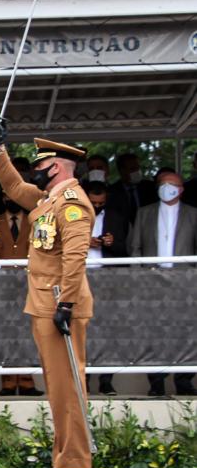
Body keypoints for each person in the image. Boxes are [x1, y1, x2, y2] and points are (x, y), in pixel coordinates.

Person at [0, 120, 94, 468]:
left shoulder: (72, 203)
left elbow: (76, 257)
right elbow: (14, 185)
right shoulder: (48, 199)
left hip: (59, 306)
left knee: (68, 386)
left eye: (41, 165)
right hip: (44, 304)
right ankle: (64, 459)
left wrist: (67, 305)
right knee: (58, 384)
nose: (36, 170)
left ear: (57, 167)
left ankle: (75, 463)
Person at [129, 170, 197, 396]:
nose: (166, 188)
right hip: (152, 283)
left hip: (184, 283)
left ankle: (184, 379)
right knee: (154, 332)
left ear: (181, 189)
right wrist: (139, 278)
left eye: (172, 184)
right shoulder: (144, 212)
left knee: (185, 331)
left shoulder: (193, 214)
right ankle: (156, 380)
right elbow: (135, 247)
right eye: (163, 183)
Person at [0, 194, 44, 397]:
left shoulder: (37, 221)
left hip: (29, 286)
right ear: (3, 197)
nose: (12, 199)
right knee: (4, 333)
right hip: (1, 289)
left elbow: (45, 253)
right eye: (8, 196)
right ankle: (7, 380)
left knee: (27, 334)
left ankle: (26, 381)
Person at [83, 181, 129, 396]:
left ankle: (106, 380)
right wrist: (85, 242)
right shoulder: (75, 215)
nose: (97, 206)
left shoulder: (116, 218)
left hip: (108, 279)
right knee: (82, 330)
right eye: (93, 202)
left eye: (101, 203)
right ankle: (83, 379)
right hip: (81, 279)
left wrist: (112, 242)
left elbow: (127, 249)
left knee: (107, 330)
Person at [108, 153, 156, 224]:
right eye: (132, 169)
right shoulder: (112, 191)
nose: (137, 172)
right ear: (122, 171)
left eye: (138, 168)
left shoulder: (150, 188)